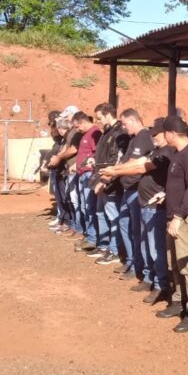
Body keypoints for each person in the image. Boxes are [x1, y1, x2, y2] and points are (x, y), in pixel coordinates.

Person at [158, 115, 188, 332]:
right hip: (174, 217)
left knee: (187, 266)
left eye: (164, 133)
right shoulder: (179, 154)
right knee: (174, 263)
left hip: (184, 219)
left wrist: (178, 217)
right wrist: (165, 196)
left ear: (171, 133)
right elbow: (179, 185)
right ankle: (178, 302)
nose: (162, 136)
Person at [111, 109, 155, 283]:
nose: (123, 127)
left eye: (124, 123)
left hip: (136, 189)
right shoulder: (134, 139)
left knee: (137, 231)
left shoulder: (144, 137)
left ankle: (139, 266)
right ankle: (132, 261)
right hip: (128, 189)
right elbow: (125, 161)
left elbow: (133, 163)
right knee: (124, 225)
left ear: (133, 120)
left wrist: (114, 172)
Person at [89, 103, 129, 265]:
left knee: (113, 216)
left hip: (112, 183)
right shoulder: (107, 132)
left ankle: (114, 249)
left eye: (99, 117)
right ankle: (106, 246)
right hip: (103, 178)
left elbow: (117, 160)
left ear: (107, 114)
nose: (98, 121)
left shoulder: (119, 133)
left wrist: (106, 180)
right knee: (101, 214)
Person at [71, 112, 102, 252]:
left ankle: (93, 238)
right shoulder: (87, 133)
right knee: (85, 206)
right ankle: (90, 236)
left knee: (90, 207)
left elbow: (96, 153)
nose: (77, 129)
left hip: (89, 174)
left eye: (78, 126)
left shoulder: (94, 132)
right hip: (83, 174)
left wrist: (89, 166)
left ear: (83, 122)